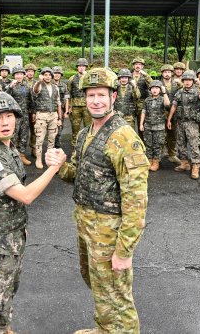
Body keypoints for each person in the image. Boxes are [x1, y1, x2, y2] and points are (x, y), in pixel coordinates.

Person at [47, 67, 149, 334]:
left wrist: (124, 251)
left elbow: (136, 201)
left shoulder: (124, 138)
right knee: (99, 286)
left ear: (113, 96)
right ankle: (104, 329)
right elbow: (78, 175)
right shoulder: (84, 133)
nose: (96, 101)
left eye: (102, 95)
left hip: (109, 230)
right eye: (91, 95)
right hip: (87, 225)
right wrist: (60, 165)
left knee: (118, 296)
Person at [0, 92, 61, 334]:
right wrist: (53, 168)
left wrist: (20, 225)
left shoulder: (9, 149)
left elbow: (14, 202)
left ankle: (4, 328)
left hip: (13, 234)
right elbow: (25, 195)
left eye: (9, 116)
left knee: (9, 288)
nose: (4, 123)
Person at [167, 70, 200, 179]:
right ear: (183, 81)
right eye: (185, 80)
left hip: (191, 122)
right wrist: (169, 119)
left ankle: (195, 166)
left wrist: (199, 84)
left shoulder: (196, 91)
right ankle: (184, 163)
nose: (187, 82)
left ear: (193, 81)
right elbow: (174, 106)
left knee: (194, 144)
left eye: (190, 80)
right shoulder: (179, 92)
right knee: (181, 143)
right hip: (180, 121)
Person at [31, 67, 62, 169]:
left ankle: (49, 159)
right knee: (40, 138)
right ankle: (38, 159)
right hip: (42, 115)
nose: (48, 77)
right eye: (45, 75)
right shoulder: (39, 85)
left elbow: (58, 103)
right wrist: (39, 82)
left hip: (53, 115)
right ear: (42, 76)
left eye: (49, 75)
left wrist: (59, 118)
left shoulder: (55, 87)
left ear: (52, 76)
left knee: (51, 139)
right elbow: (35, 91)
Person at [139, 80, 170, 171]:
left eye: (157, 88)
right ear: (150, 89)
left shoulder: (162, 98)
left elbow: (168, 104)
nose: (155, 90)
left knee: (157, 145)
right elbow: (144, 111)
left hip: (159, 127)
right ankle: (149, 160)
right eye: (153, 88)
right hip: (148, 126)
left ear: (160, 89)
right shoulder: (147, 100)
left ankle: (156, 161)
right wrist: (141, 124)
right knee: (148, 144)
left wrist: (164, 93)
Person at [6, 66, 32, 165]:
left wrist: (32, 112)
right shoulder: (11, 85)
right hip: (14, 115)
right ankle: (12, 155)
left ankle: (22, 155)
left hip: (24, 114)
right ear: (14, 75)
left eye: (21, 74)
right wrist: (10, 87)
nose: (19, 76)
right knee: (13, 135)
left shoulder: (26, 86)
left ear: (23, 75)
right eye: (17, 74)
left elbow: (30, 100)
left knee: (24, 135)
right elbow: (5, 96)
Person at [159, 64, 181, 165]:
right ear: (162, 73)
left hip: (174, 112)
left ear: (172, 73)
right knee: (160, 135)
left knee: (173, 134)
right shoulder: (158, 84)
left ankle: (172, 154)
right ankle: (158, 156)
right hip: (161, 112)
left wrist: (180, 83)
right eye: (165, 72)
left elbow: (186, 90)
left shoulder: (177, 83)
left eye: (169, 72)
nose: (167, 74)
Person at [68, 58, 91, 145]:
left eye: (83, 66)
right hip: (75, 107)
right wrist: (69, 106)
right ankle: (75, 147)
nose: (81, 68)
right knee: (75, 128)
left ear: (86, 67)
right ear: (77, 67)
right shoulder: (72, 79)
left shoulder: (89, 78)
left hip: (87, 106)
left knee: (88, 127)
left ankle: (87, 146)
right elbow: (69, 92)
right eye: (80, 66)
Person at [52, 66, 70, 148]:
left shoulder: (64, 85)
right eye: (55, 73)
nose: (57, 75)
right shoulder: (49, 84)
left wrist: (66, 111)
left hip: (61, 110)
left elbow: (66, 99)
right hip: (51, 110)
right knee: (51, 129)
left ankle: (57, 146)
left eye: (58, 73)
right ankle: (50, 146)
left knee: (59, 129)